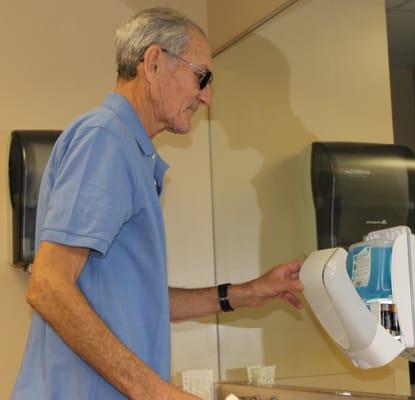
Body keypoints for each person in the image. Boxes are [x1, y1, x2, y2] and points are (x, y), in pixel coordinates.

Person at [11, 8, 304, 400]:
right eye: (201, 77)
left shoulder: (128, 152)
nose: (207, 96)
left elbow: (137, 302)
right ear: (153, 62)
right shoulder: (105, 140)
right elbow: (47, 286)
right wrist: (157, 393)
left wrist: (246, 292)